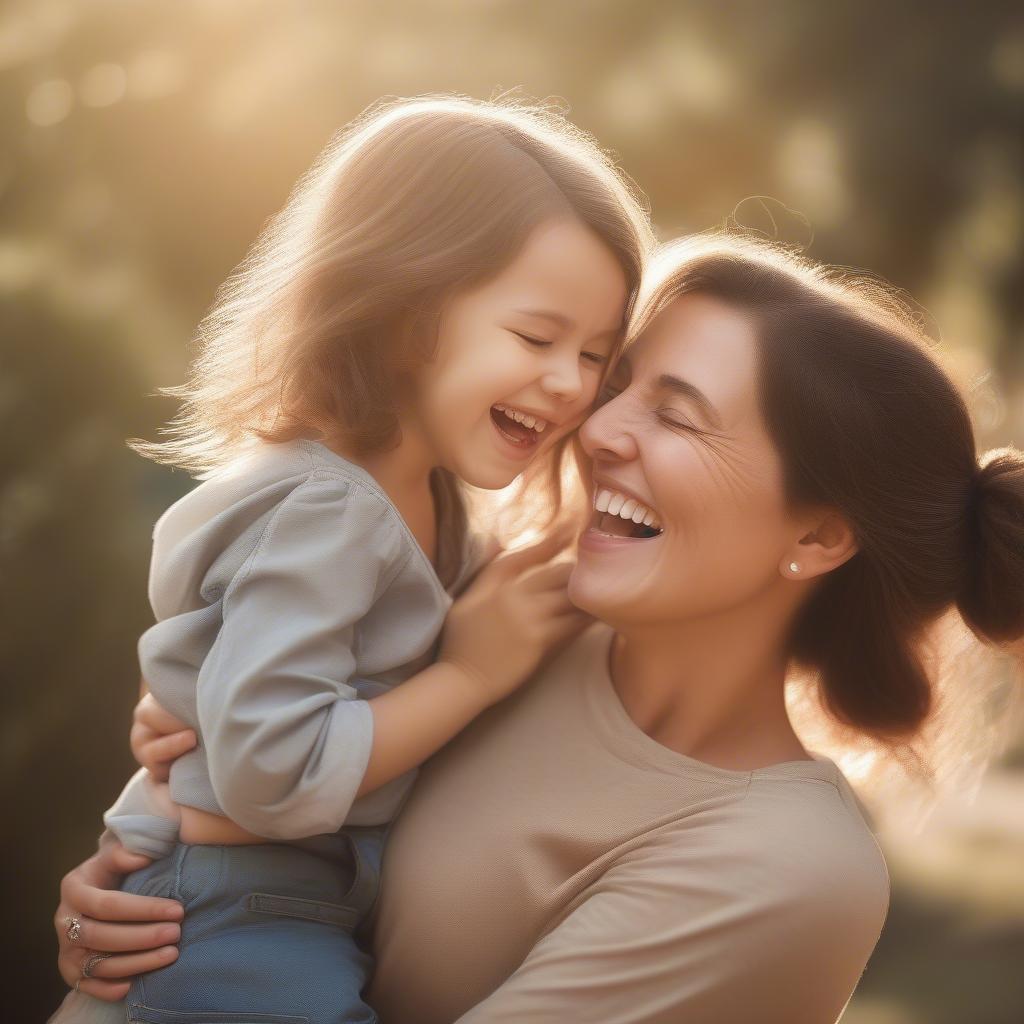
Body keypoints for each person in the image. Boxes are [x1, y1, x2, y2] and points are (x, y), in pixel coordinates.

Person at [53, 234, 1024, 1023]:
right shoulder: (499, 612)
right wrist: (162, 892)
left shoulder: (787, 869)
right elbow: (262, 770)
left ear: (815, 535)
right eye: (621, 384)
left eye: (678, 417)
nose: (597, 429)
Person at [49, 94, 652, 1023]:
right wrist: (467, 676)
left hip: (295, 896)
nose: (570, 383)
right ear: (404, 311)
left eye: (597, 357)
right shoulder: (328, 510)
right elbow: (268, 769)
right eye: (537, 338)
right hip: (227, 908)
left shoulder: (438, 496)